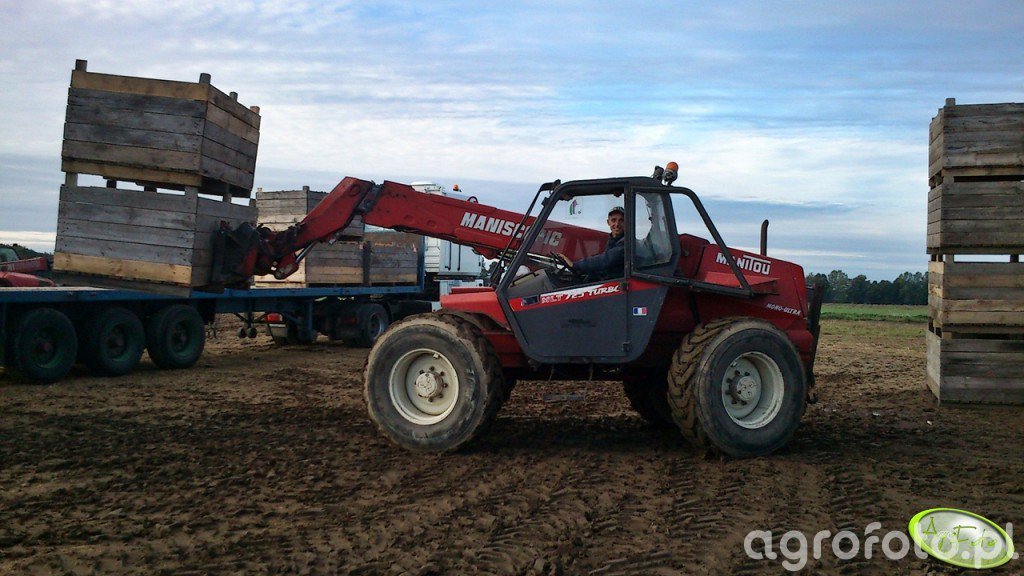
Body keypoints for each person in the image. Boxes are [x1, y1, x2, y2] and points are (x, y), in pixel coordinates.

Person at [555, 206, 625, 279]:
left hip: (618, 284)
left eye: (621, 220)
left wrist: (575, 265)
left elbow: (605, 260)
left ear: (626, 222)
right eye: (613, 220)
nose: (617, 224)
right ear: (608, 222)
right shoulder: (613, 241)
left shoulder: (625, 243)